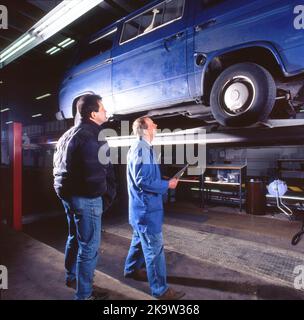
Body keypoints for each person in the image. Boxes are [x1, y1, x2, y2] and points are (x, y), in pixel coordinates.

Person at [53, 94, 116, 300]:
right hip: (86, 198)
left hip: (68, 196)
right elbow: (98, 173)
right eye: (103, 108)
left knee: (74, 237)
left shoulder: (67, 134)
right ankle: (84, 295)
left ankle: (72, 277)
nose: (106, 111)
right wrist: (104, 198)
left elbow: (58, 170)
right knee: (89, 246)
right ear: (93, 113)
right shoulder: (93, 135)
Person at [124, 116, 185, 300]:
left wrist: (164, 180)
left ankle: (131, 269)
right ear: (144, 129)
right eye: (153, 124)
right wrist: (168, 185)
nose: (157, 126)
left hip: (139, 210)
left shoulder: (140, 147)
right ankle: (161, 290)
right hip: (146, 211)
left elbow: (145, 177)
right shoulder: (142, 149)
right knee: (154, 250)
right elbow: (143, 181)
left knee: (138, 241)